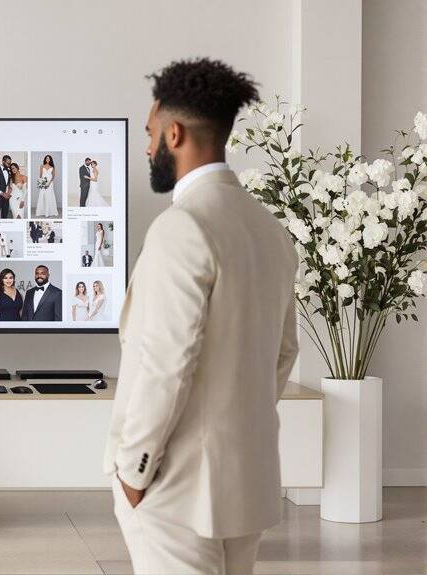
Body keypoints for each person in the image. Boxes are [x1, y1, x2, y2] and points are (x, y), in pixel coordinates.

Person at [104, 58, 298, 575]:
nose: (146, 148)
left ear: (174, 133)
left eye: (150, 134)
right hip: (247, 479)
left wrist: (133, 471)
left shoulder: (182, 227)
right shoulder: (270, 229)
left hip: (175, 485)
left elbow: (165, 363)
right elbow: (284, 353)